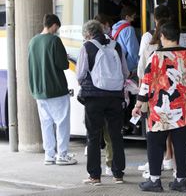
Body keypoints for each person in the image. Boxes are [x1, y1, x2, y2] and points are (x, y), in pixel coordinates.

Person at [132, 22, 186, 193]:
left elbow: (146, 83)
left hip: (159, 111)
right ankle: (181, 181)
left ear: (162, 36)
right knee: (181, 146)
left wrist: (138, 104)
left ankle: (155, 181)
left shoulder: (156, 56)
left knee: (155, 145)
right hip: (183, 109)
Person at [77, 20, 129, 185]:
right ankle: (118, 174)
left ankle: (95, 176)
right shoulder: (116, 46)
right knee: (116, 135)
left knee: (93, 136)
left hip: (94, 98)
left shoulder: (87, 47)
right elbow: (125, 72)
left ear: (87, 34)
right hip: (115, 96)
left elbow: (80, 74)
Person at [28, 14, 77, 166]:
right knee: (62, 122)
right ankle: (62, 154)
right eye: (57, 27)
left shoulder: (33, 41)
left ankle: (49, 155)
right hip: (56, 89)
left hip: (39, 90)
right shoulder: (54, 40)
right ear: (54, 25)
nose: (57, 31)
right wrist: (66, 57)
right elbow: (63, 64)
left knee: (46, 123)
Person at [137, 6, 175, 178]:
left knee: (154, 129)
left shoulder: (148, 38)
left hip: (153, 90)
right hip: (173, 89)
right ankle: (171, 159)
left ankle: (155, 166)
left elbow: (141, 68)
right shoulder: (175, 37)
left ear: (155, 18)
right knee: (172, 126)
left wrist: (140, 93)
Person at [112, 4, 140, 73]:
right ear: (127, 17)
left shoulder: (114, 29)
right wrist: (139, 64)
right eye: (133, 17)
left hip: (117, 64)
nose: (133, 20)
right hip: (127, 66)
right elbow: (133, 50)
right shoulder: (129, 29)